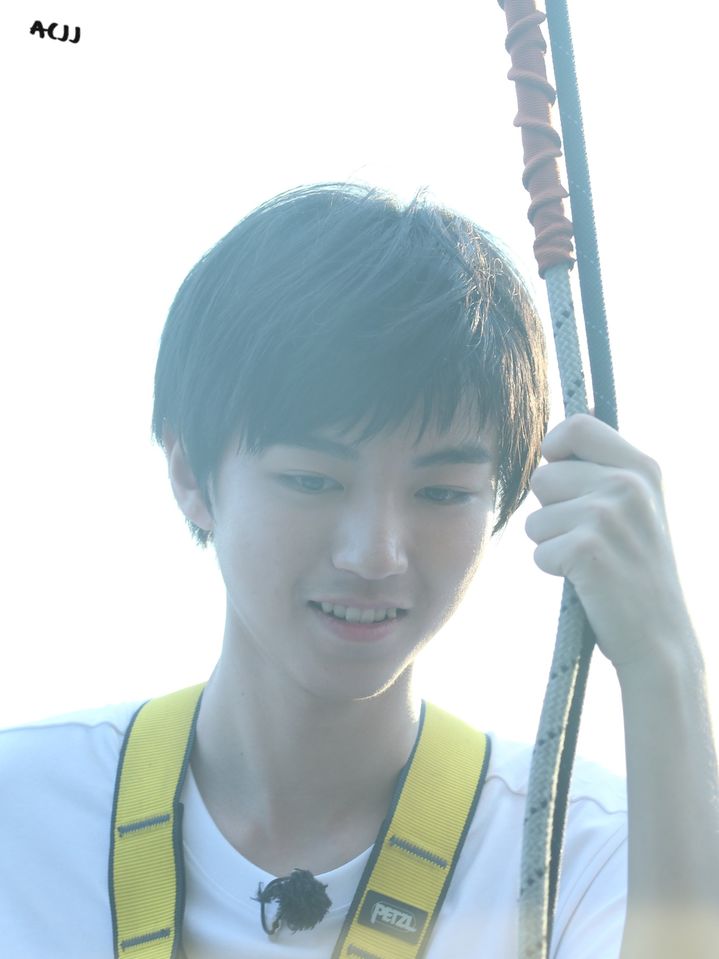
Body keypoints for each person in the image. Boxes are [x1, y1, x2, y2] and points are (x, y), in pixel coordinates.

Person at [1, 182, 717, 959]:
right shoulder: (23, 812)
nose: (375, 553)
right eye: (312, 480)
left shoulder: (589, 852)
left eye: (440, 492)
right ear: (189, 473)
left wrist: (663, 662)